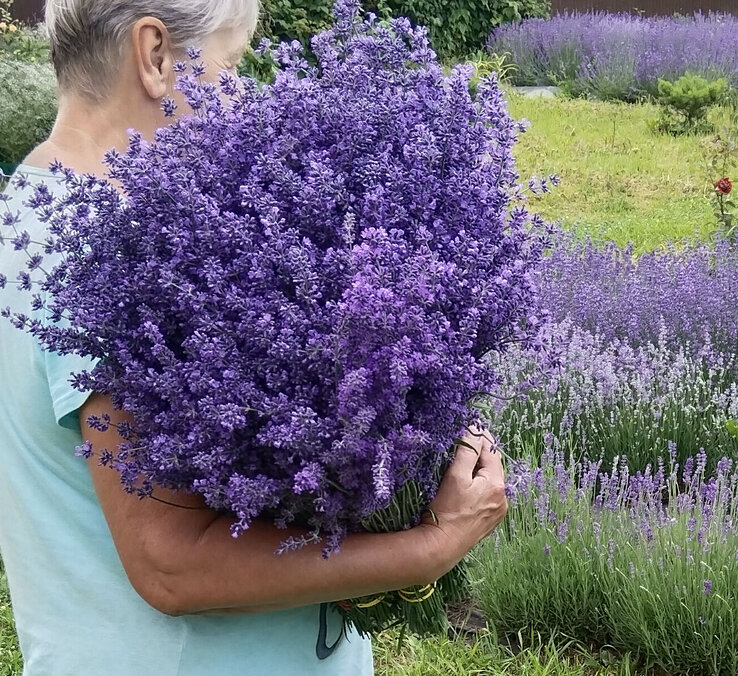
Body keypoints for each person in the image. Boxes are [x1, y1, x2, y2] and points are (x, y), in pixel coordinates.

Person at [0, 2, 509, 674]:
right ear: (155, 56)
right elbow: (172, 564)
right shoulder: (103, 254)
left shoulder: (38, 217)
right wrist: (431, 548)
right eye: (233, 64)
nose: (243, 97)